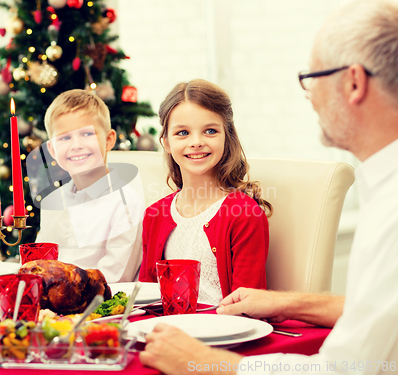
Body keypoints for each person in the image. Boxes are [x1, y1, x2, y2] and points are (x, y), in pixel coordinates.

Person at [139, 0, 398, 373]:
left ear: (353, 82)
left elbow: (348, 368)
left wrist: (205, 364)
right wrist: (282, 302)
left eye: (312, 77)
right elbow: (370, 308)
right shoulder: (382, 187)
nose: (307, 95)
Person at [139, 79, 272, 304]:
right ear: (166, 143)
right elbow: (145, 299)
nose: (196, 142)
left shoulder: (245, 215)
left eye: (210, 131)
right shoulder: (155, 214)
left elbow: (249, 309)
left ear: (226, 138)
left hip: (223, 334)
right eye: (182, 133)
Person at [35, 89, 144, 283]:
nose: (76, 145)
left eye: (86, 134)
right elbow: (41, 264)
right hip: (52, 305)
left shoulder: (126, 203)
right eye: (65, 138)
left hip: (103, 306)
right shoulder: (52, 202)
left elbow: (115, 277)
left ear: (109, 140)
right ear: (52, 149)